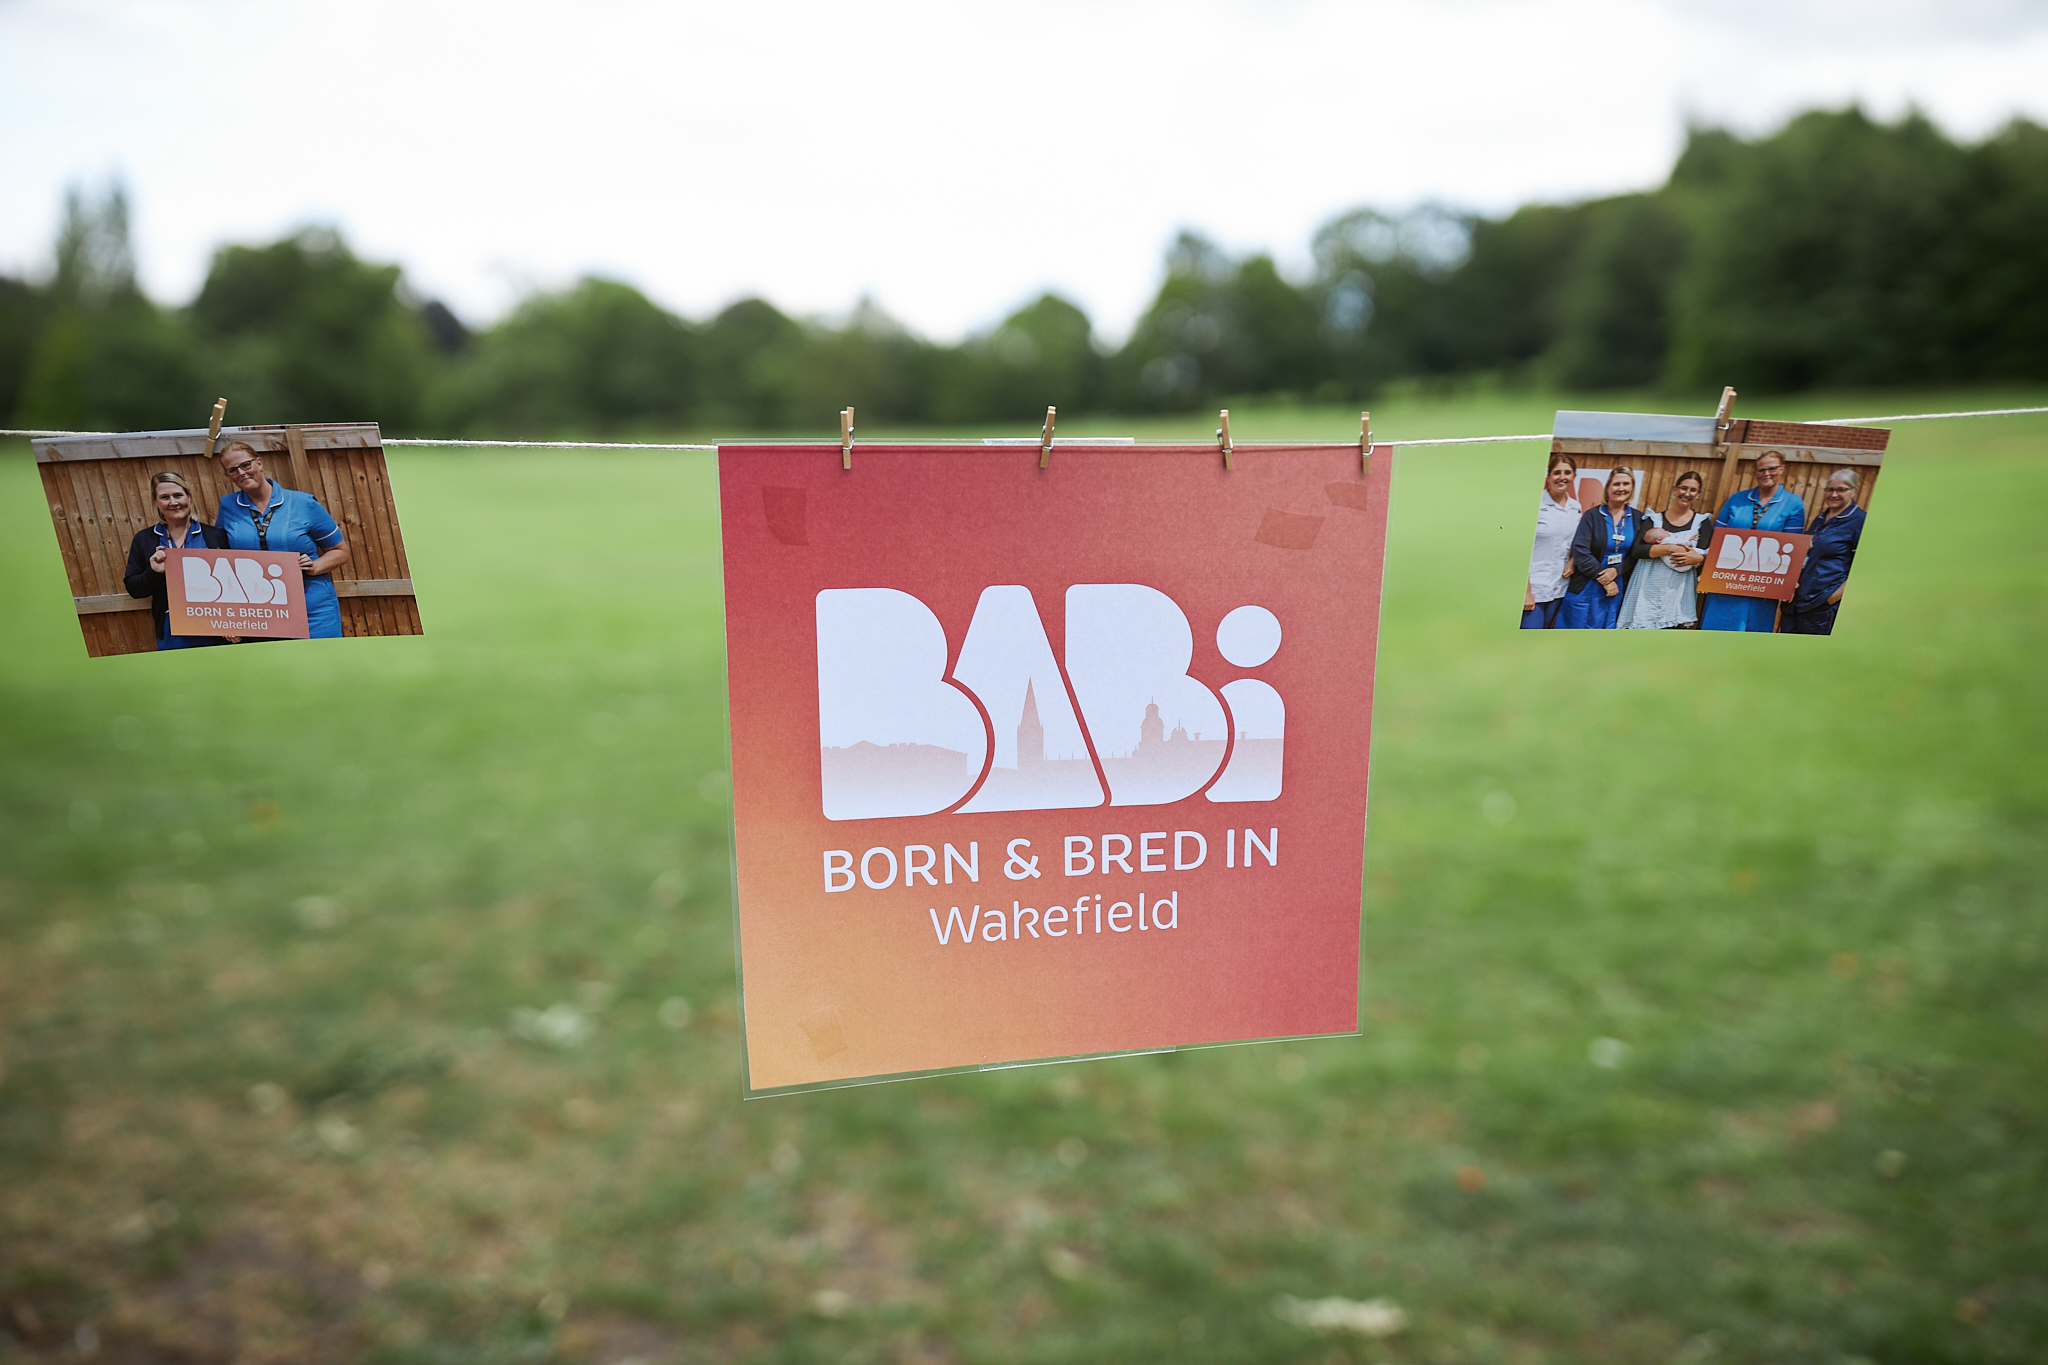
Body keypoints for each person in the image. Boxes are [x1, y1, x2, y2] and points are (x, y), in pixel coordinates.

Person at [213, 440, 351, 639]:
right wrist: (231, 615)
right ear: (228, 475)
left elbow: (340, 551)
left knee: (322, 666)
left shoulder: (303, 503)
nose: (241, 473)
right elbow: (221, 562)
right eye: (233, 470)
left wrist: (315, 566)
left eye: (246, 465)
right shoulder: (227, 507)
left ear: (259, 463)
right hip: (259, 612)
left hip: (312, 609)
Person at [1699, 449, 1804, 633]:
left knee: (1750, 633)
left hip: (1762, 585)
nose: (1766, 474)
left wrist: (1790, 580)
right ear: (1755, 473)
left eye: (1772, 469)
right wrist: (1707, 572)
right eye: (1761, 470)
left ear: (1782, 469)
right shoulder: (1737, 499)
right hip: (1726, 580)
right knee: (1714, 630)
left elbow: (1792, 546)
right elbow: (1717, 537)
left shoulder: (1793, 503)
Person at [123, 472, 231, 650]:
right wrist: (154, 572)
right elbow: (134, 588)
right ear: (155, 502)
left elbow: (232, 584)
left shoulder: (215, 536)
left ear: (188, 497)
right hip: (173, 630)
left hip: (215, 626)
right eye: (164, 497)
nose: (173, 502)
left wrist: (233, 624)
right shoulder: (145, 539)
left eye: (178, 495)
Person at [1617, 470, 1710, 629]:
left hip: (1679, 588)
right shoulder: (1654, 519)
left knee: (1670, 636)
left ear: (1698, 494)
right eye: (1683, 488)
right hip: (1647, 586)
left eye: (1692, 490)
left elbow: (1705, 553)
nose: (1687, 493)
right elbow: (1638, 550)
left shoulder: (1702, 522)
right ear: (1674, 489)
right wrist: (1671, 548)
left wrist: (1699, 559)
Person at [1781, 467, 1866, 635]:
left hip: (1822, 607)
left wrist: (1832, 598)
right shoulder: (1821, 518)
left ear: (1853, 491)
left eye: (1841, 489)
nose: (1833, 494)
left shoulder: (1860, 521)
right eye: (1830, 489)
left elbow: (1864, 568)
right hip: (1796, 602)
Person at [1559, 468, 1646, 630]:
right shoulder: (1592, 515)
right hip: (1587, 584)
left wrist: (1616, 571)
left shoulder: (1637, 517)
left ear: (1632, 488)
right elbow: (1581, 550)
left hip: (1617, 586)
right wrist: (1604, 579)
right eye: (1616, 484)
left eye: (1626, 484)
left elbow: (1635, 554)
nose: (1621, 488)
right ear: (1607, 488)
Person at [1522, 451, 1580, 628]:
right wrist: (1526, 591)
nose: (1562, 477)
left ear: (1574, 476)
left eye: (1567, 473)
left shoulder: (1575, 507)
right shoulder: (1535, 504)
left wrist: (1573, 560)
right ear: (1548, 477)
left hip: (1559, 586)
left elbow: (1577, 542)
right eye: (1557, 473)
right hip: (1534, 587)